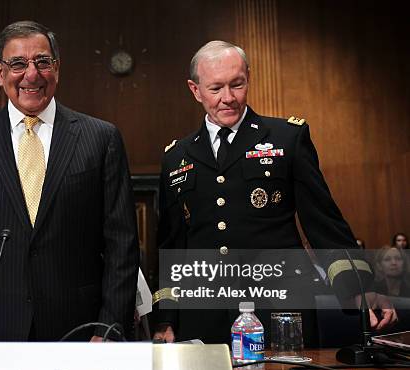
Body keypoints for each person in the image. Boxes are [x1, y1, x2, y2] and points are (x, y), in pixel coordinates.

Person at [153, 40, 396, 344]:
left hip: (280, 303)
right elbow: (172, 247)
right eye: (215, 89)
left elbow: (323, 221)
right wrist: (166, 317)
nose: (228, 98)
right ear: (195, 90)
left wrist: (359, 288)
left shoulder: (287, 138)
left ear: (248, 78)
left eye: (237, 84)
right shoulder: (177, 157)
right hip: (204, 311)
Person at [0, 21, 138, 344]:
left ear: (57, 68)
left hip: (80, 331)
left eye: (42, 62)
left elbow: (121, 245)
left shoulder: (100, 138)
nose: (32, 74)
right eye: (18, 64)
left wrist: (108, 328)